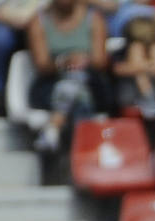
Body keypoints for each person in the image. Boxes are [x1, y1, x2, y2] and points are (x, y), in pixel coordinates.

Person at [26, 0, 111, 153]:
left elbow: (101, 61)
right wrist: (63, 62)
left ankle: (54, 126)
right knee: (76, 86)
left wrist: (83, 60)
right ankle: (87, 151)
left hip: (91, 82)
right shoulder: (39, 21)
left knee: (76, 78)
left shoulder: (94, 18)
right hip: (51, 84)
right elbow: (42, 65)